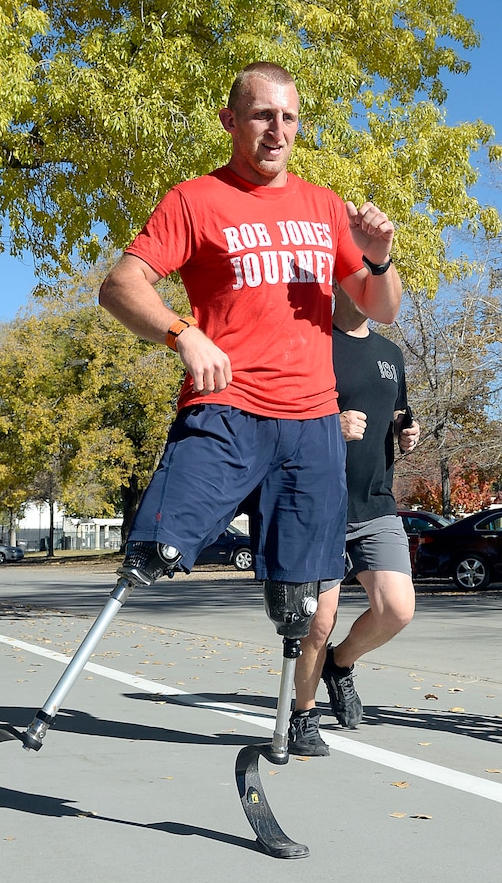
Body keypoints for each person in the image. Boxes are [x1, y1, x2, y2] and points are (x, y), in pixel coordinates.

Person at [99, 61, 402, 681]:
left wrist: (379, 258)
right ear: (230, 121)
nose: (277, 130)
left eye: (288, 117)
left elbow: (381, 308)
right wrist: (183, 334)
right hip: (227, 407)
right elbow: (120, 285)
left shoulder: (323, 207)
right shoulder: (196, 199)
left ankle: (294, 722)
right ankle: (44, 715)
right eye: (264, 115)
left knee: (302, 597)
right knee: (155, 549)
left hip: (313, 422)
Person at [287, 283, 420, 756]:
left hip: (375, 502)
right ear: (336, 285)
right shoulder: (308, 340)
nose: (369, 290)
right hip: (319, 504)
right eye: (357, 278)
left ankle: (339, 666)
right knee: (316, 624)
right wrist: (330, 425)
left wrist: (408, 431)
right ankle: (302, 716)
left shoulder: (390, 353)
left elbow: (399, 411)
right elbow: (277, 418)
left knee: (397, 609)